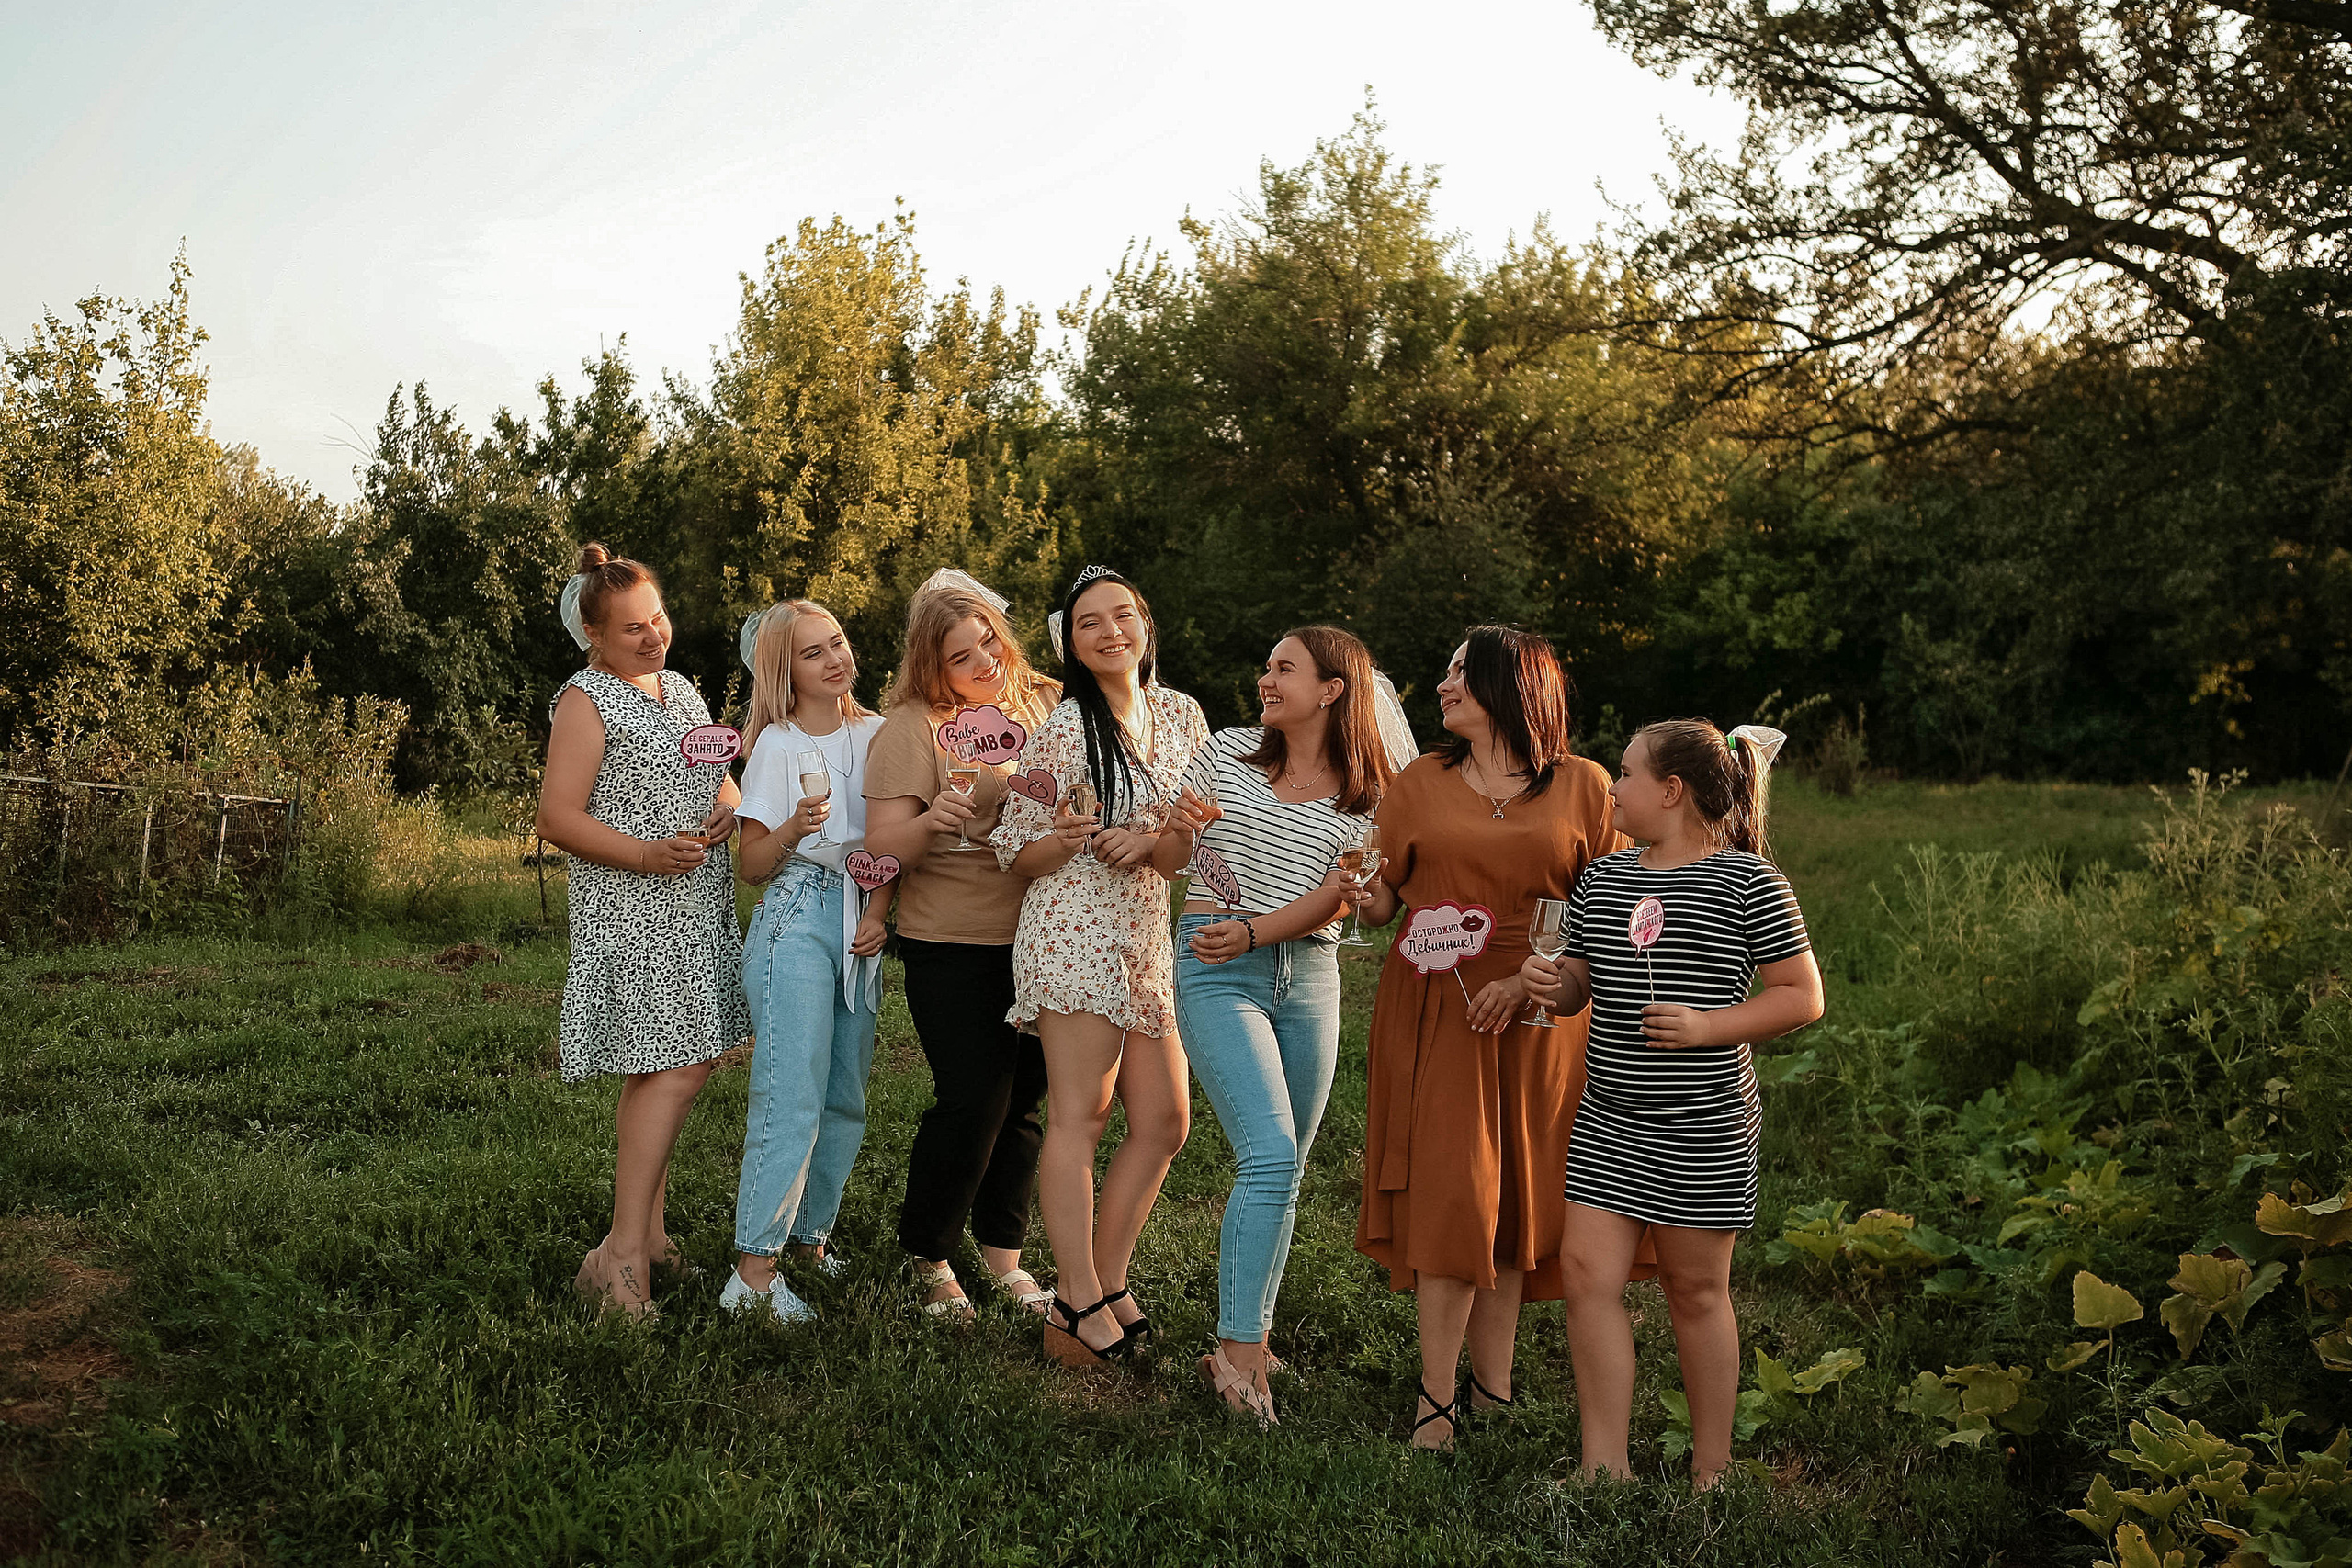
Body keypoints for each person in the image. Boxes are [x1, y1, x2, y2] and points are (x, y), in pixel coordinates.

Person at [1521, 720, 1824, 1491]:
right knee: (1588, 1277)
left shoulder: (1749, 881)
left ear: (1671, 790)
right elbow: (1582, 980)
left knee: (1695, 1289)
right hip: (1610, 1113)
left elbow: (1801, 997)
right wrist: (1554, 987)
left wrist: (1709, 1026)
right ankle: (1604, 1466)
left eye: (1624, 774)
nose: (1611, 787)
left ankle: (1712, 1468)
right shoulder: (1605, 878)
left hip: (1705, 1121)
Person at [1350, 626, 1632, 1450]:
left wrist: (1536, 978)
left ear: (1513, 686)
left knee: (1514, 1195)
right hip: (1440, 1003)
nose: (1442, 685)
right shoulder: (1419, 781)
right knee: (1453, 1191)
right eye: (1444, 670)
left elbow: (1605, 905)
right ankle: (1436, 1400)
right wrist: (1357, 889)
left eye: (1459, 671)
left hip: (1540, 1010)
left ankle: (1493, 1386)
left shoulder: (1584, 784)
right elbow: (1380, 903)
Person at [1154, 626, 1414, 1424]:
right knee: (1266, 1153)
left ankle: (1254, 1340)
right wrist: (1184, 831)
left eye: (1284, 668)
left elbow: (1350, 898)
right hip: (1214, 960)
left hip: (1309, 975)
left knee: (1288, 1165)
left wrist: (1345, 900)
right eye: (1266, 664)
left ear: (1333, 689)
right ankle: (1234, 1354)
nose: (1265, 678)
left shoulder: (1372, 794)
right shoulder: (1227, 749)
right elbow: (1168, 859)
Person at [990, 566, 1209, 1366]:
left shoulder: (1185, 717)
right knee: (1083, 1114)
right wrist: (1073, 837)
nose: (1110, 630)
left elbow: (1186, 848)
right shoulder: (1059, 728)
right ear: (1073, 645)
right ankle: (1075, 1299)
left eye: (1123, 615)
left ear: (1145, 626)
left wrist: (1156, 840)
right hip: (1073, 930)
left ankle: (1106, 1282)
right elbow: (1016, 850)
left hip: (1145, 935)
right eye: (1090, 622)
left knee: (1164, 1120)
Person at [536, 543, 749, 1321]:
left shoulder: (682, 689)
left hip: (694, 906)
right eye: (632, 629)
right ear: (594, 635)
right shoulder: (584, 700)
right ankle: (619, 1254)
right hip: (633, 909)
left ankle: (647, 1236)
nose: (653, 636)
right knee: (679, 1066)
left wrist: (729, 806)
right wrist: (647, 856)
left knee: (659, 1065)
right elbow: (556, 816)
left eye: (657, 618)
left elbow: (715, 779)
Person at [863, 569, 1060, 1322]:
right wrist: (935, 819)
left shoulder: (1041, 703)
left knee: (1026, 1101)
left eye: (989, 644)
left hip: (1045, 934)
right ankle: (929, 1250)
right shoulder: (912, 727)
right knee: (974, 1095)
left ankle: (1003, 1254)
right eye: (961, 655)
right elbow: (882, 847)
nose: (985, 663)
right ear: (929, 665)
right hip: (951, 936)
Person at [721, 599, 888, 1325]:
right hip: (796, 910)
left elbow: (892, 841)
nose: (836, 659)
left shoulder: (880, 734)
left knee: (844, 1093)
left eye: (839, 642)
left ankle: (809, 1241)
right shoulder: (778, 746)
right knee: (791, 1091)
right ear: (785, 672)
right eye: (815, 652)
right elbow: (752, 863)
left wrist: (882, 915)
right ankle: (752, 1276)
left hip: (862, 912)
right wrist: (795, 823)